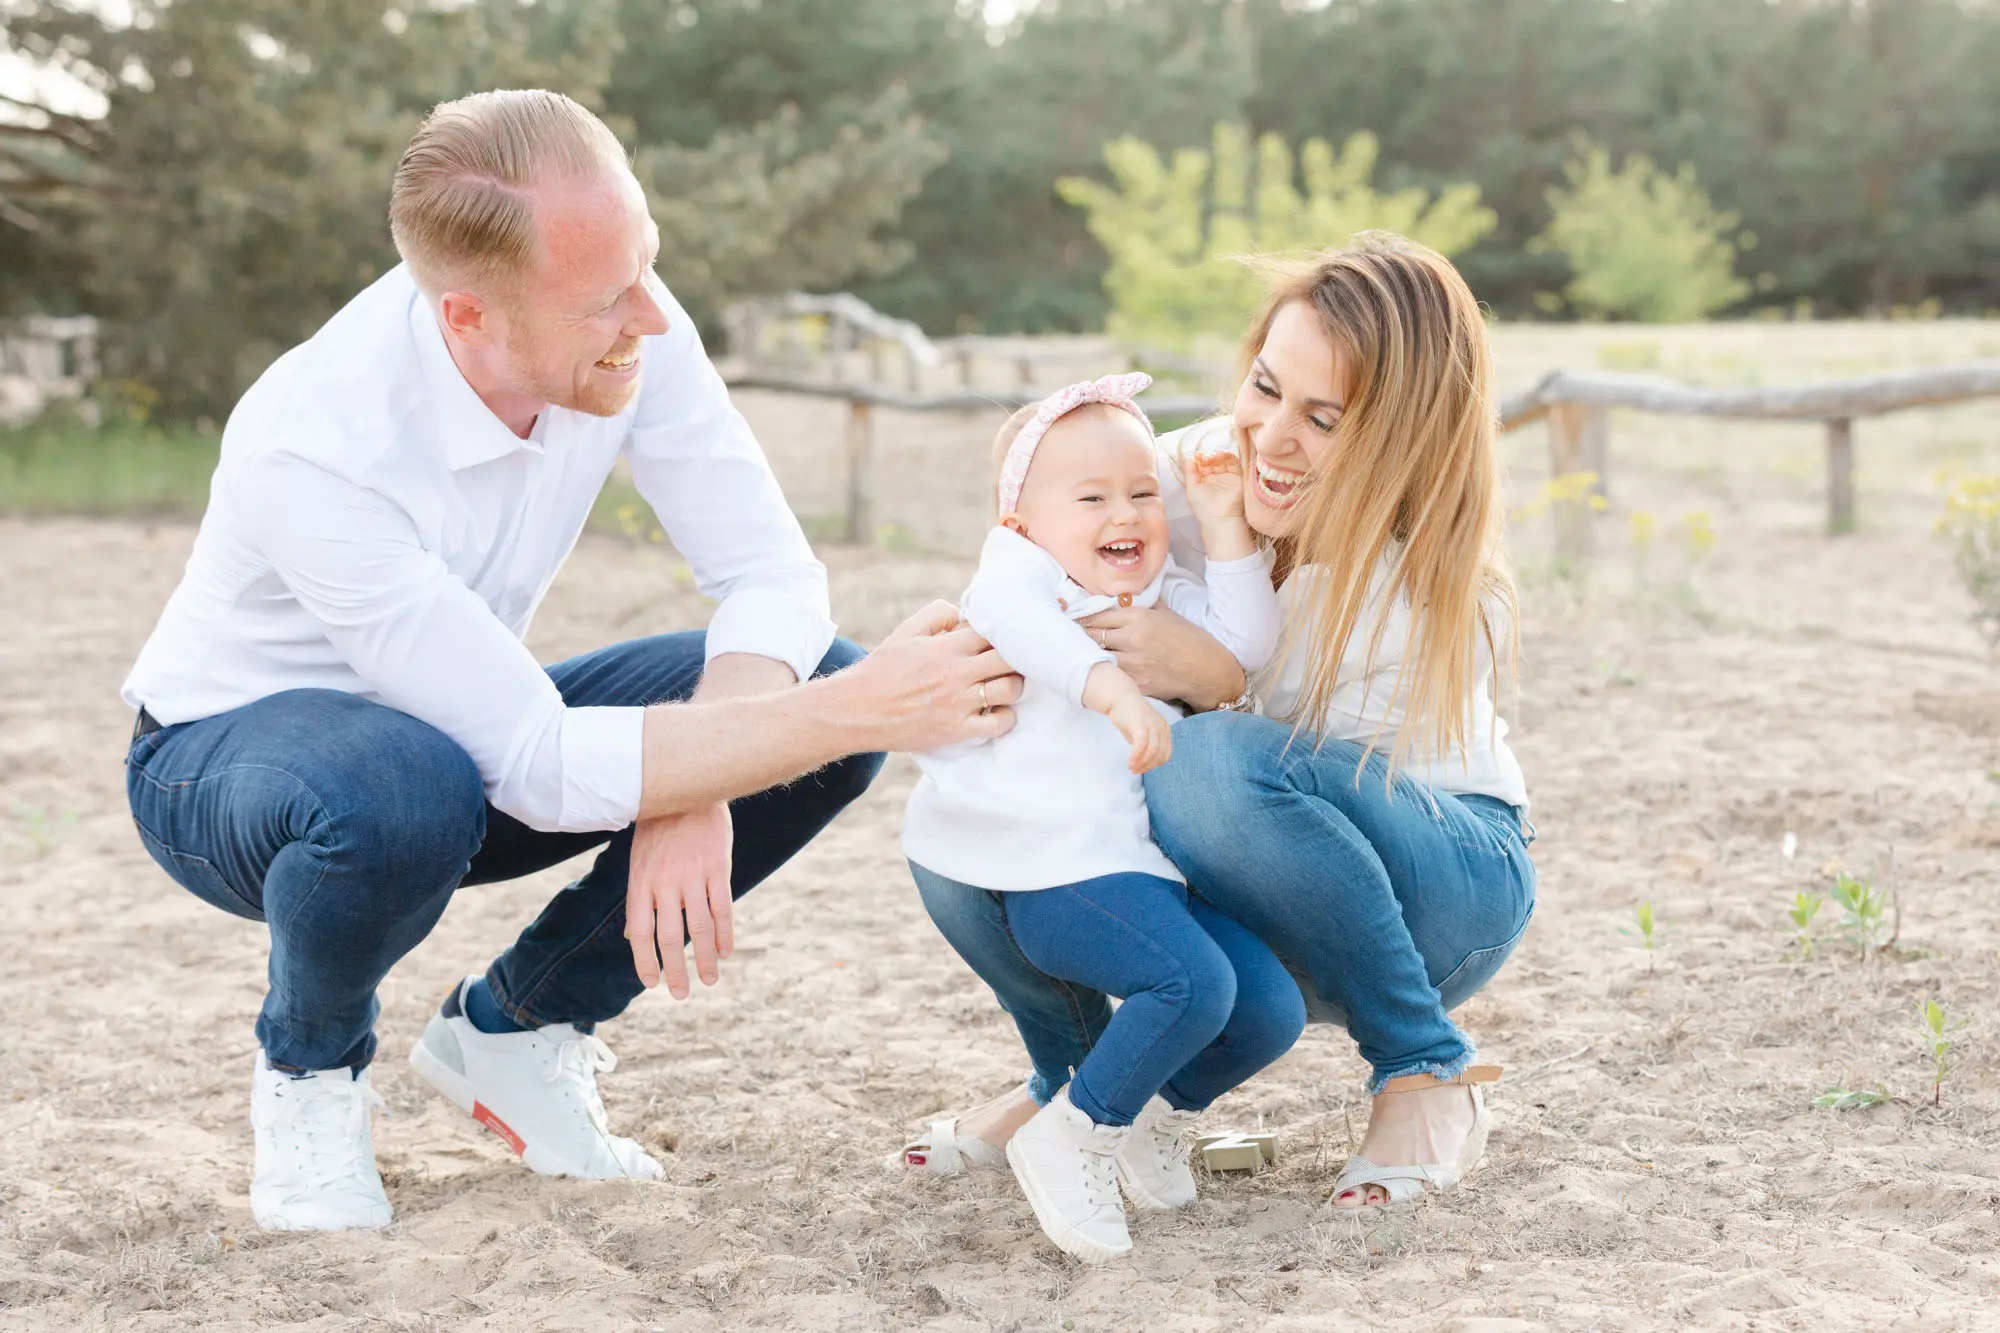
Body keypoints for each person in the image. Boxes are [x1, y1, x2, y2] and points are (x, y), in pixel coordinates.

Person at [121, 89, 1020, 1233]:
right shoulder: (314, 442)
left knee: (809, 689)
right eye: (606, 297)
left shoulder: (624, 316)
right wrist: (796, 731)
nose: (648, 314)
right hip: (227, 772)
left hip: (463, 734)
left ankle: (519, 1026)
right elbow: (538, 761)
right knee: (404, 784)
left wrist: (714, 770)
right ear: (468, 319)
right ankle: (309, 1072)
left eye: (648, 266)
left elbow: (771, 577)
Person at [904, 234, 1536, 1209]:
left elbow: (1268, 788)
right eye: (1264, 386)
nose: (1270, 438)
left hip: (1434, 890)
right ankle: (1075, 1085)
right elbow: (1029, 573)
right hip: (1247, 879)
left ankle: (1423, 1064)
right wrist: (951, 647)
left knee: (1200, 765)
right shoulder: (1169, 475)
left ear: (1400, 436)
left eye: (1321, 418)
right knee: (969, 812)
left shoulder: (1430, 587)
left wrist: (1208, 674)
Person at [901, 373, 1305, 1264]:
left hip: (1136, 863)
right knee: (1190, 985)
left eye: (1142, 495)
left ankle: (1145, 1116)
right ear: (1024, 522)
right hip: (1049, 866)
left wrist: (1224, 523)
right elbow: (1008, 613)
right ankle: (1072, 1130)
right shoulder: (1024, 578)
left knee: (1268, 1007)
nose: (1124, 513)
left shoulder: (1155, 598)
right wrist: (1108, 682)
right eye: (1090, 497)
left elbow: (1246, 644)